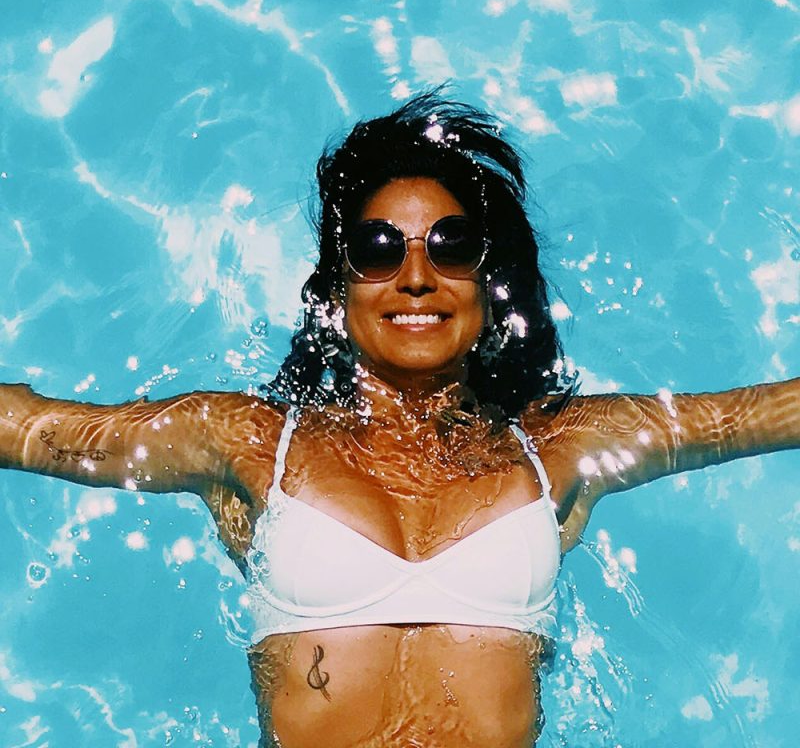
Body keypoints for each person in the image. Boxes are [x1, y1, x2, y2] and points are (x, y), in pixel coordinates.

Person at [0, 91, 797, 748]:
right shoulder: (250, 441)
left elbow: (756, 416)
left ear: (488, 286)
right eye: (378, 248)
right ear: (338, 290)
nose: (416, 275)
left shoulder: (556, 447)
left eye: (451, 245)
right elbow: (37, 429)